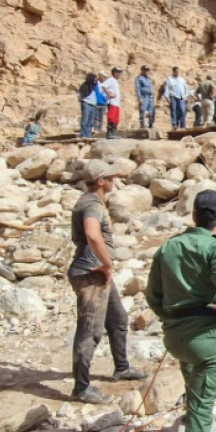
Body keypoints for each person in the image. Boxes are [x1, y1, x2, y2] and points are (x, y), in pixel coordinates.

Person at [145, 189, 216, 432]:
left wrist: (170, 318)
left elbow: (152, 295)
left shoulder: (168, 247)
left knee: (193, 385)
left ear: (193, 216)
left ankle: (188, 428)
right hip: (207, 338)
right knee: (202, 406)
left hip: (175, 336)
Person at [68, 160, 146, 403]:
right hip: (91, 273)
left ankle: (121, 367)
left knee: (118, 319)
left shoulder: (90, 201)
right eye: (111, 178)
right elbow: (92, 233)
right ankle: (81, 387)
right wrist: (107, 263)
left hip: (98, 272)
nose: (115, 181)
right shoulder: (91, 204)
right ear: (100, 180)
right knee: (89, 331)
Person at [78, 73, 100, 138]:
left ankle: (88, 135)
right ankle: (83, 135)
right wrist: (82, 101)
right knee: (85, 120)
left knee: (90, 122)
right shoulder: (84, 86)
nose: (95, 80)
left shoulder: (93, 87)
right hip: (86, 104)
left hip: (93, 105)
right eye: (94, 79)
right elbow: (79, 94)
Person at [103, 68, 123, 139]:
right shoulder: (111, 80)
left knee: (116, 119)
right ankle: (109, 133)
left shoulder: (115, 81)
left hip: (116, 103)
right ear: (115, 73)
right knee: (111, 118)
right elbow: (103, 86)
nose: (120, 74)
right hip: (112, 102)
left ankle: (113, 133)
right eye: (118, 73)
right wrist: (109, 94)